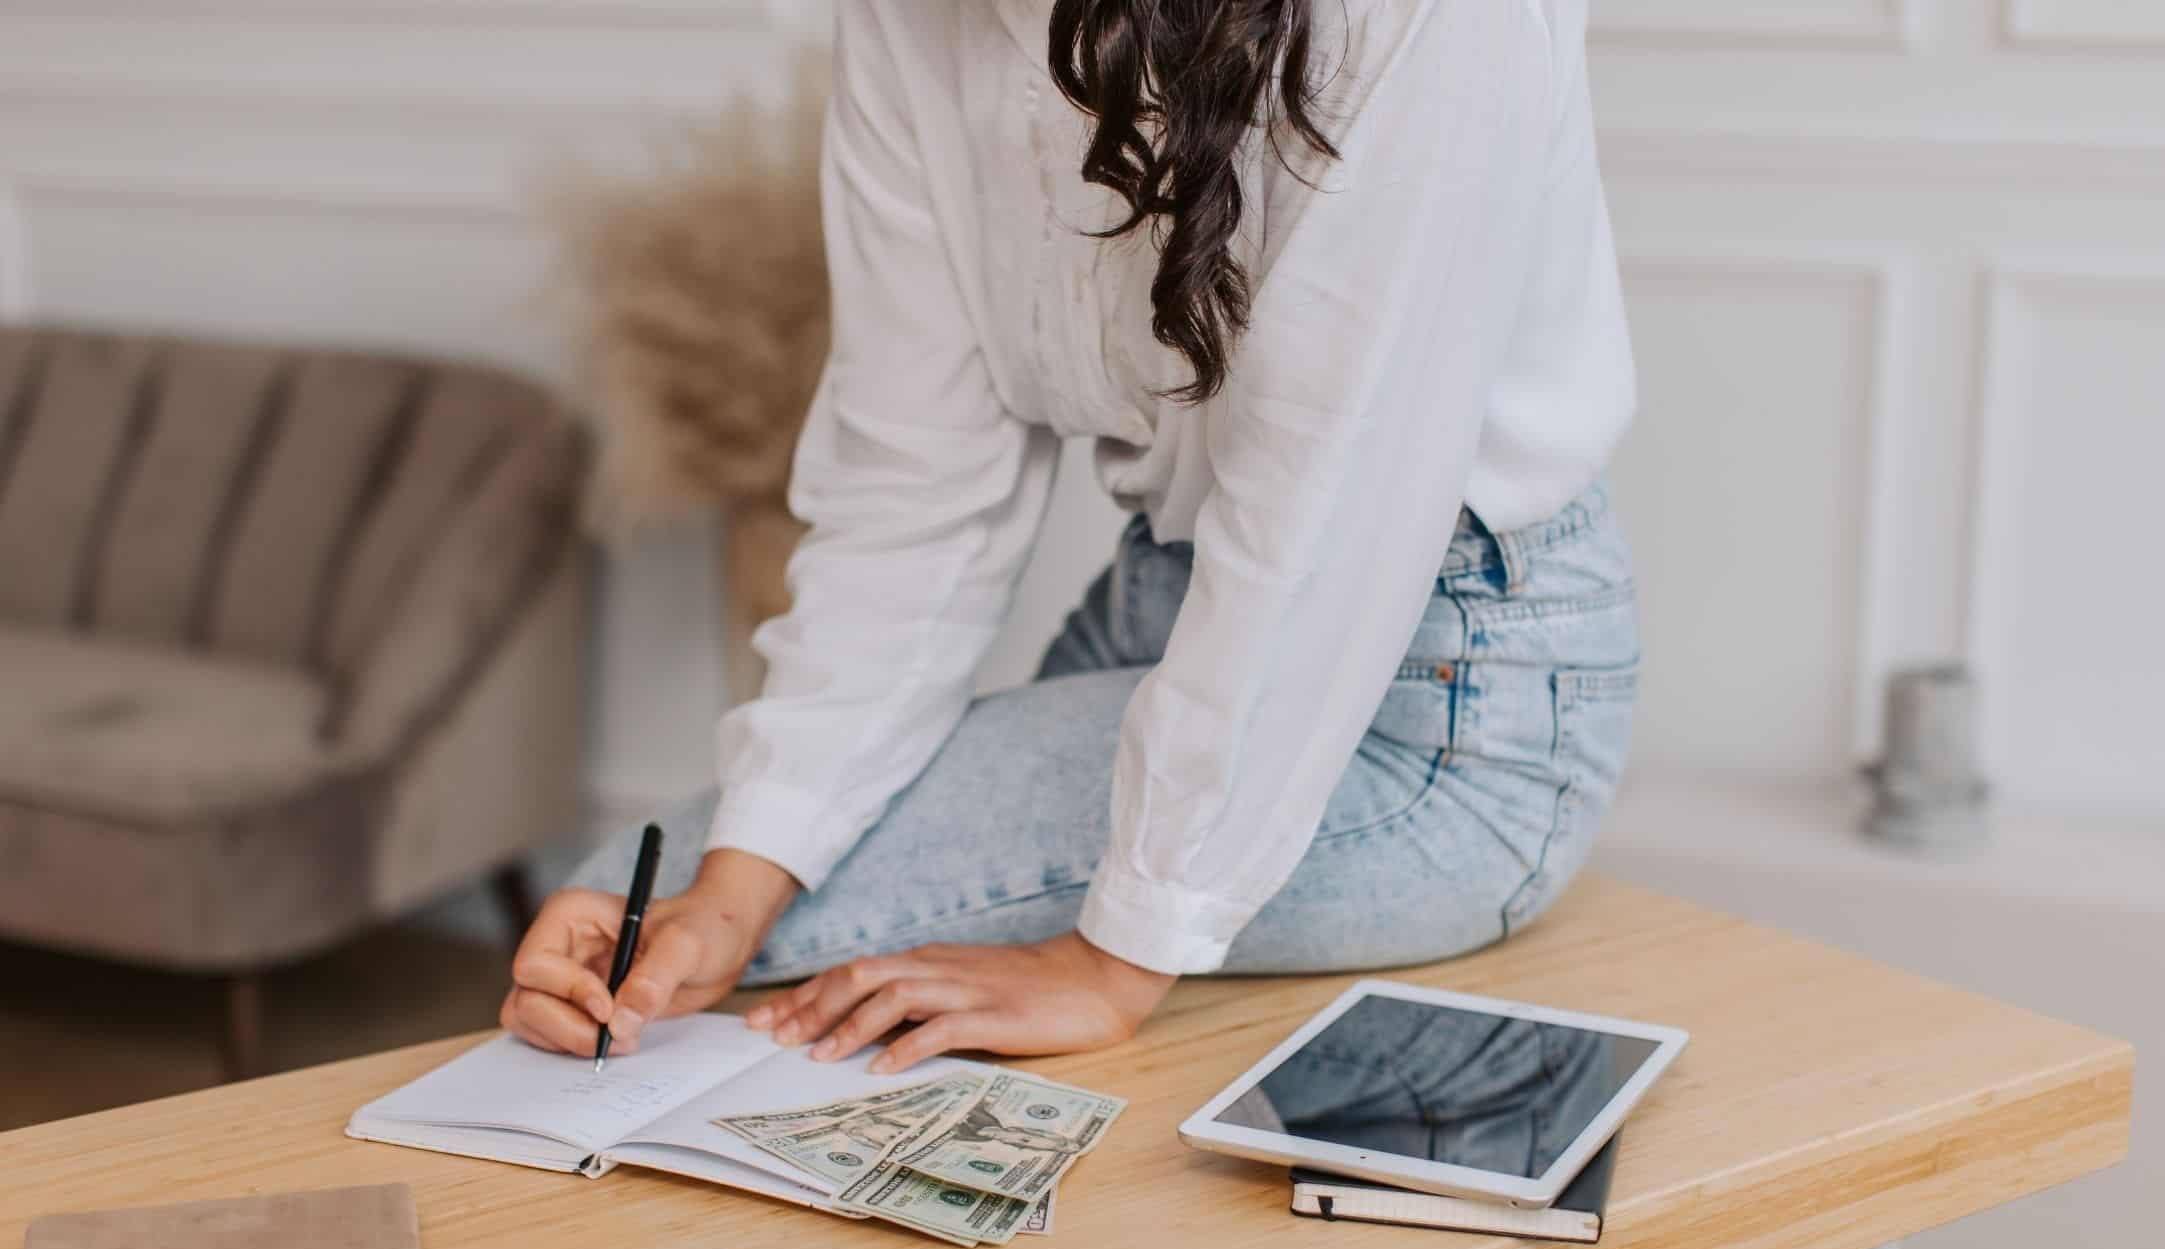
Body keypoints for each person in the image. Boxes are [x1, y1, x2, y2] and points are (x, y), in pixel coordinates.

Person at [502, 0, 1640, 1076]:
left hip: (1443, 710)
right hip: (1168, 612)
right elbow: (911, 491)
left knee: (638, 909)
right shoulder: (916, 19)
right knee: (660, 929)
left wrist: (1114, 963)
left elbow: (1326, 519)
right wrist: (736, 885)